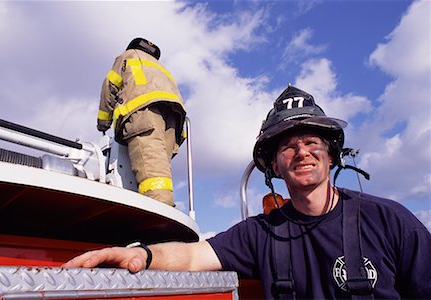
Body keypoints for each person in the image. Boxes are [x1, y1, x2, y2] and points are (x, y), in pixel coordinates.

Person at [65, 85, 431, 299]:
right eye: (287, 146)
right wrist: (141, 255)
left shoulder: (391, 221)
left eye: (311, 141)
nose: (302, 151)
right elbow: (193, 257)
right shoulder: (260, 233)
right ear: (273, 165)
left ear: (332, 154)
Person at [96, 37, 186, 206]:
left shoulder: (128, 55)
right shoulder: (161, 68)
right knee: (160, 166)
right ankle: (163, 202)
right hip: (173, 118)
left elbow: (110, 85)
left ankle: (160, 209)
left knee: (151, 165)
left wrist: (103, 122)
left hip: (143, 110)